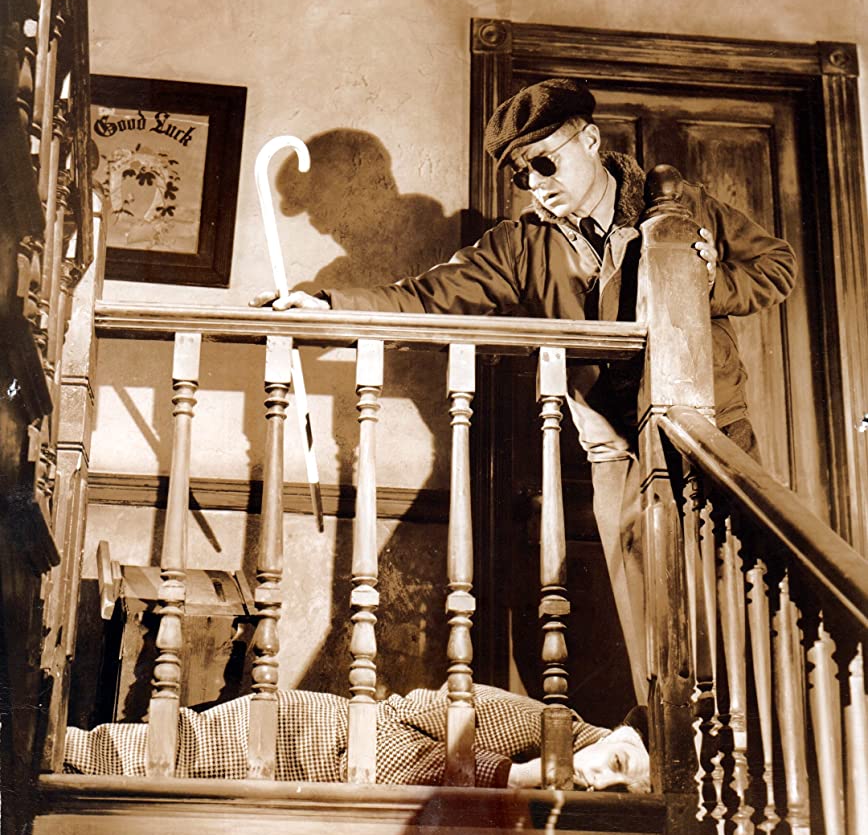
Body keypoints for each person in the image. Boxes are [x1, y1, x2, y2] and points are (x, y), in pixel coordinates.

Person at [252, 79, 797, 702]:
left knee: (736, 596)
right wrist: (329, 304)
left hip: (710, 430)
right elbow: (427, 297)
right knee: (648, 612)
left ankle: (755, 735)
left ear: (590, 141)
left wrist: (707, 284)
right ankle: (668, 736)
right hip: (615, 450)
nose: (536, 184)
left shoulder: (680, 204)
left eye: (545, 163)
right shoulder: (519, 244)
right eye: (521, 174)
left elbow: (775, 266)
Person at [63, 681, 650, 792]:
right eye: (619, 762)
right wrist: (514, 774)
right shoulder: (544, 727)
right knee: (138, 757)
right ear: (615, 733)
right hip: (316, 735)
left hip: (328, 768)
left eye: (623, 790)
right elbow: (403, 731)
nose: (602, 781)